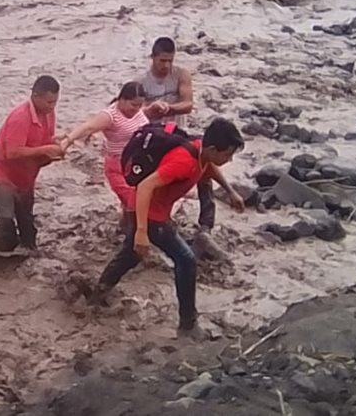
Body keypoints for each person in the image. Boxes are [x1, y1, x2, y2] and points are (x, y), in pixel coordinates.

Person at [94, 118, 246, 337]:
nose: (229, 160)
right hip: (149, 215)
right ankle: (188, 325)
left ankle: (98, 293)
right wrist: (141, 231)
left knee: (131, 255)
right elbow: (146, 186)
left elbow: (208, 168)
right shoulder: (184, 161)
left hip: (146, 210)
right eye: (227, 155)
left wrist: (230, 191)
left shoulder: (199, 151)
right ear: (213, 149)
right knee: (186, 260)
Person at [138, 37, 241, 262]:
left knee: (205, 165)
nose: (166, 65)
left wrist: (168, 108)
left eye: (170, 60)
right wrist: (151, 110)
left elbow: (188, 104)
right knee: (154, 183)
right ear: (152, 57)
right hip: (155, 139)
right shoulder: (142, 83)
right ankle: (142, 227)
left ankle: (205, 227)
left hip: (179, 135)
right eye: (162, 60)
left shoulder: (181, 75)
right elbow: (134, 113)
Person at [0, 75, 65, 252]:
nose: (52, 107)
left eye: (55, 102)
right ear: (35, 97)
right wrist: (45, 150)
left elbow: (44, 141)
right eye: (49, 102)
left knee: (27, 225)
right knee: (6, 221)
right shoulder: (20, 118)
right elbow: (12, 152)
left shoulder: (48, 114)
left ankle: (27, 255)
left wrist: (55, 145)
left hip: (25, 177)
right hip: (2, 175)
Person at [59, 81, 150, 217]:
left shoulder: (137, 111)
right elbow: (88, 127)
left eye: (139, 105)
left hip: (138, 163)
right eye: (133, 105)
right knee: (134, 202)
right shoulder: (110, 116)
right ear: (122, 99)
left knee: (144, 199)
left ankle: (130, 225)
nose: (136, 109)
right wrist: (68, 140)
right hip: (118, 166)